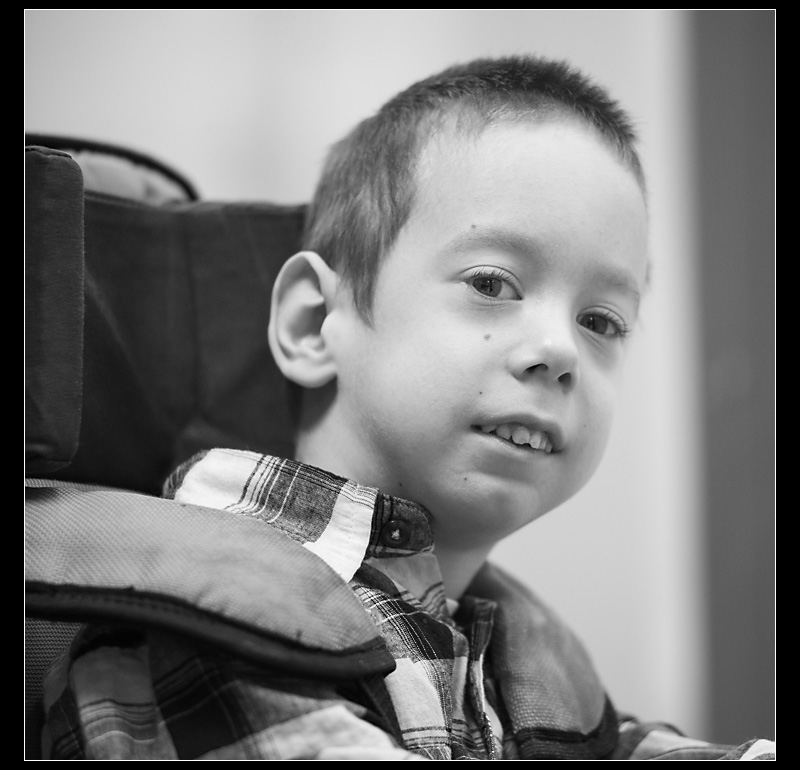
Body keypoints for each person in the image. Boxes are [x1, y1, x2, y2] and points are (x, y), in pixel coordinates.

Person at [41, 55, 775, 760]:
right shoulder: (208, 621)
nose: (560, 351)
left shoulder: (509, 648)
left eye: (602, 321)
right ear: (312, 324)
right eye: (491, 283)